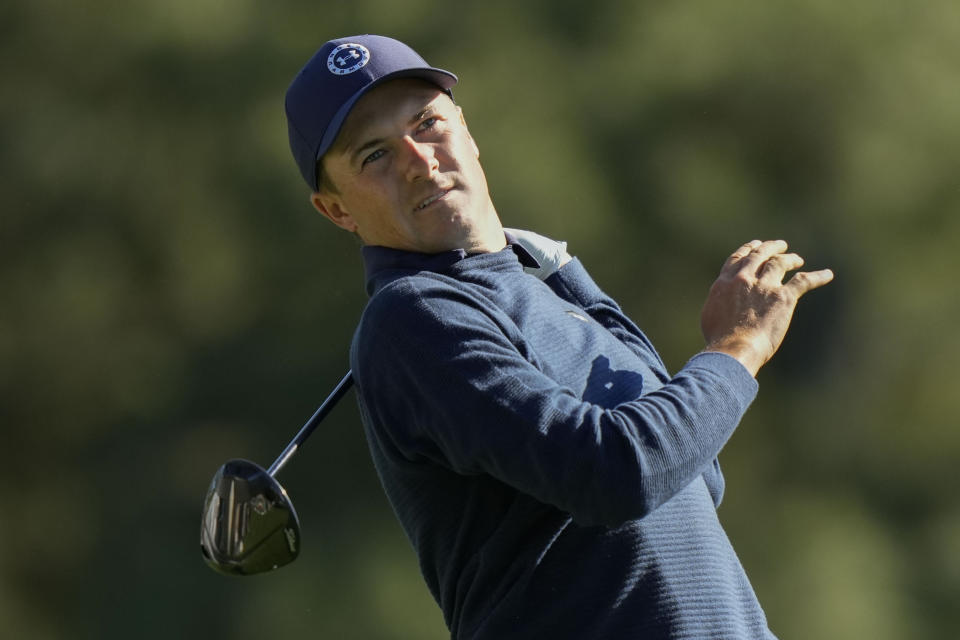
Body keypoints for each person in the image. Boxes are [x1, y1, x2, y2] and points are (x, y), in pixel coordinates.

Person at [284, 34, 833, 639]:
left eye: (428, 122)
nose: (420, 158)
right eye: (374, 156)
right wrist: (739, 347)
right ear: (336, 210)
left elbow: (696, 475)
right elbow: (622, 475)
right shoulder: (414, 317)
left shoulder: (542, 284)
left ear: (465, 129)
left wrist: (569, 274)